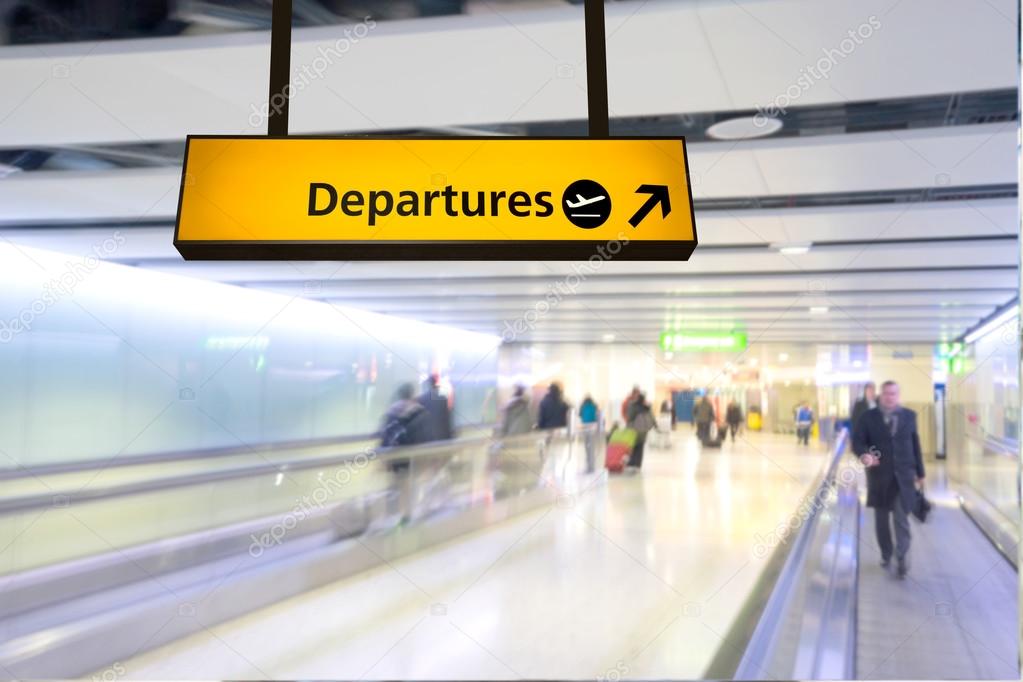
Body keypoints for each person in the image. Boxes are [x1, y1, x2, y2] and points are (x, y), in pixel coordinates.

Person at [852, 380, 925, 579]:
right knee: (882, 521)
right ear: (880, 395)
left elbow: (914, 443)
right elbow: (857, 442)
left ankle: (902, 558)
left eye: (893, 394)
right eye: (886, 394)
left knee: (901, 519)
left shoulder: (909, 416)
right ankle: (886, 553)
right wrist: (865, 455)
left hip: (904, 477)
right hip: (879, 478)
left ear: (898, 395)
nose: (890, 397)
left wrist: (921, 471)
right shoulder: (868, 417)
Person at [380, 383, 431, 524]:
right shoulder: (418, 411)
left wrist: (384, 458)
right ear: (411, 395)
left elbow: (386, 434)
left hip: (395, 455)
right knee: (411, 485)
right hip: (413, 456)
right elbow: (423, 436)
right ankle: (408, 515)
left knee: (398, 484)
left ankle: (395, 515)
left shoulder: (392, 411)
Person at [417, 374, 453, 442]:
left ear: (428, 384)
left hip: (428, 438)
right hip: (443, 436)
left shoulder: (422, 399)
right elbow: (447, 418)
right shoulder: (443, 397)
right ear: (436, 383)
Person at [627, 394, 656, 469]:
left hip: (633, 430)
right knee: (640, 447)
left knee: (633, 446)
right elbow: (652, 418)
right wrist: (655, 426)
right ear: (643, 399)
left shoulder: (632, 406)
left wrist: (628, 427)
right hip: (643, 431)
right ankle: (638, 464)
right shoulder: (646, 407)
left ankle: (631, 462)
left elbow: (629, 418)